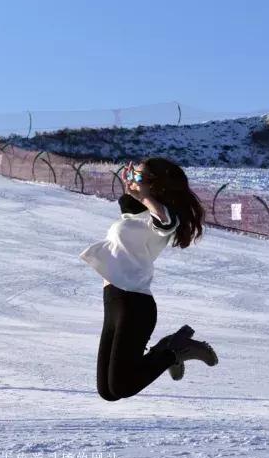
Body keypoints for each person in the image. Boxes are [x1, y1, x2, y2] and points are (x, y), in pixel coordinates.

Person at [80, 157, 218, 401]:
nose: (133, 180)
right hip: (113, 300)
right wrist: (134, 188)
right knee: (108, 391)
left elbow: (166, 222)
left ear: (156, 185)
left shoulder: (163, 217)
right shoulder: (137, 216)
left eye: (139, 176)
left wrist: (143, 195)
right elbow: (134, 208)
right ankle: (169, 348)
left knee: (121, 386)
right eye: (133, 175)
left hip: (135, 305)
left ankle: (176, 350)